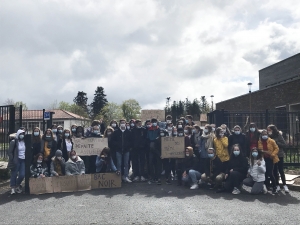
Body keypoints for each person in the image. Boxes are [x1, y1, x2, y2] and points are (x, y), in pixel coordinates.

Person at [267, 124, 289, 193]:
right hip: (272, 155)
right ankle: (277, 185)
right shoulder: (268, 136)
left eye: (269, 130)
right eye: (268, 130)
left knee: (281, 170)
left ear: (273, 130)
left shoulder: (278, 135)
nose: (268, 131)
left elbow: (284, 145)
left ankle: (284, 185)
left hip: (279, 155)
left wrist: (276, 142)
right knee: (274, 171)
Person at [258, 129, 279, 194]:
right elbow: (260, 149)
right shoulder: (259, 142)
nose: (264, 135)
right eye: (263, 134)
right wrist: (265, 151)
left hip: (270, 158)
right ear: (261, 135)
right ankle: (267, 186)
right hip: (263, 159)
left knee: (270, 173)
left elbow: (276, 148)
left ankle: (274, 187)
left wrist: (272, 154)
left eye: (266, 134)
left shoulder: (271, 141)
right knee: (265, 173)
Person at [8, 129, 26, 194]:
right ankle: (13, 187)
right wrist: (12, 159)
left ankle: (17, 185)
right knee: (14, 174)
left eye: (23, 134)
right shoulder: (14, 142)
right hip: (16, 160)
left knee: (22, 174)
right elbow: (10, 152)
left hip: (23, 160)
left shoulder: (25, 142)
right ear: (18, 134)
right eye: (21, 134)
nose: (22, 136)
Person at [146, 118, 161, 184]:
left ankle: (158, 177)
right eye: (153, 122)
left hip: (158, 148)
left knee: (158, 163)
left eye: (155, 122)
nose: (154, 123)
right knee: (150, 163)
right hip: (150, 149)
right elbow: (147, 138)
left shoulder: (159, 129)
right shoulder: (149, 130)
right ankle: (152, 177)